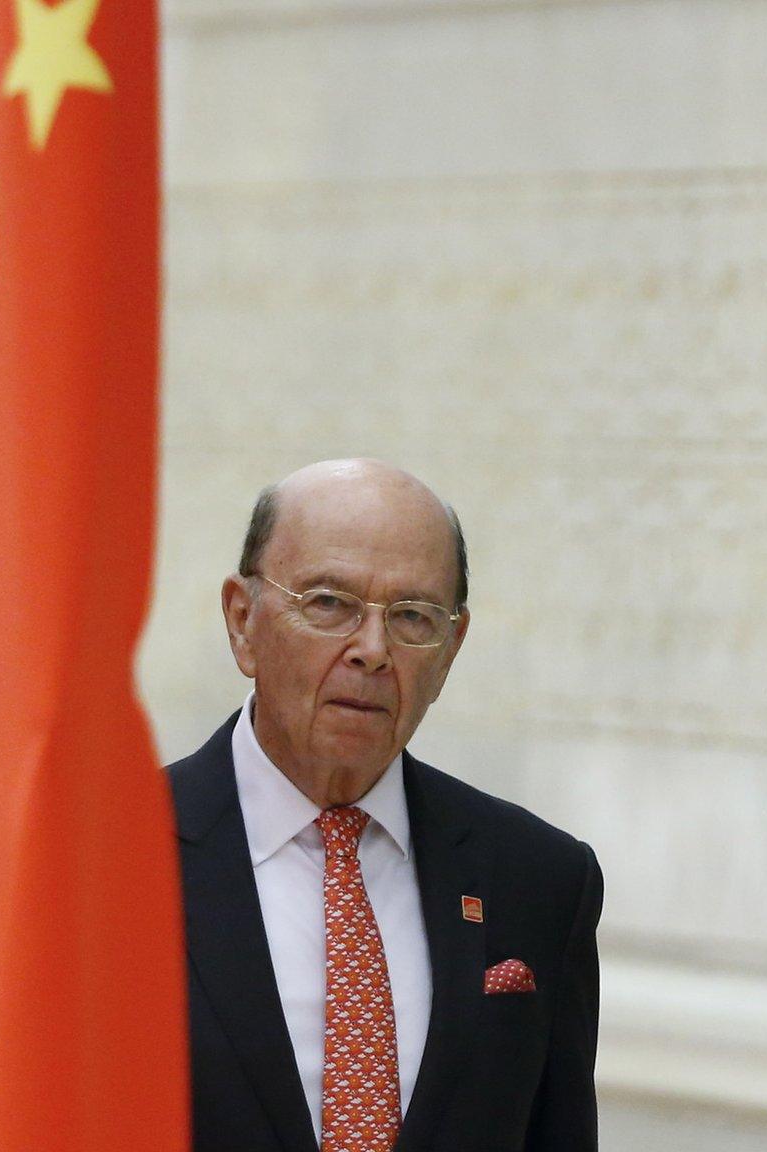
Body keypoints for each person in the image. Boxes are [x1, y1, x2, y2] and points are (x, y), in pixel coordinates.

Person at [167, 459, 602, 1152]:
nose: (371, 651)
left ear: (451, 648)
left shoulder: (538, 881)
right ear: (243, 621)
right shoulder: (110, 859)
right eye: (328, 603)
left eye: (411, 617)